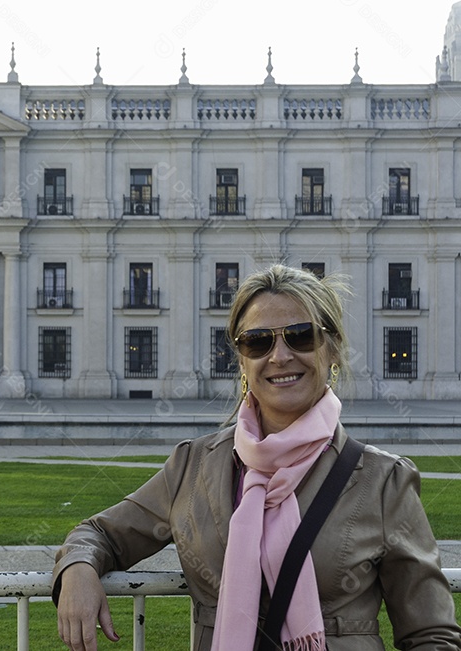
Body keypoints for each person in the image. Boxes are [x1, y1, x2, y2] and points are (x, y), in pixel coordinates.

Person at [53, 264, 461, 650]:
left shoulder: (383, 481)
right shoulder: (194, 466)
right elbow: (100, 533)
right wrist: (78, 568)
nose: (280, 356)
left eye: (301, 335)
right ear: (243, 360)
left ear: (333, 350)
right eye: (258, 341)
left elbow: (431, 634)